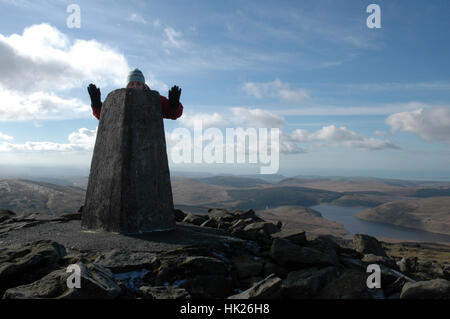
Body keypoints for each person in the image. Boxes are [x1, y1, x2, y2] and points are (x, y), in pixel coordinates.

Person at [87, 68, 183, 120]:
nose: (135, 87)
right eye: (132, 84)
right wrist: (97, 105)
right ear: (127, 86)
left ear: (143, 85)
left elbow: (173, 114)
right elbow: (105, 117)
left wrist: (174, 105)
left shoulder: (154, 100)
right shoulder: (119, 102)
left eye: (138, 84)